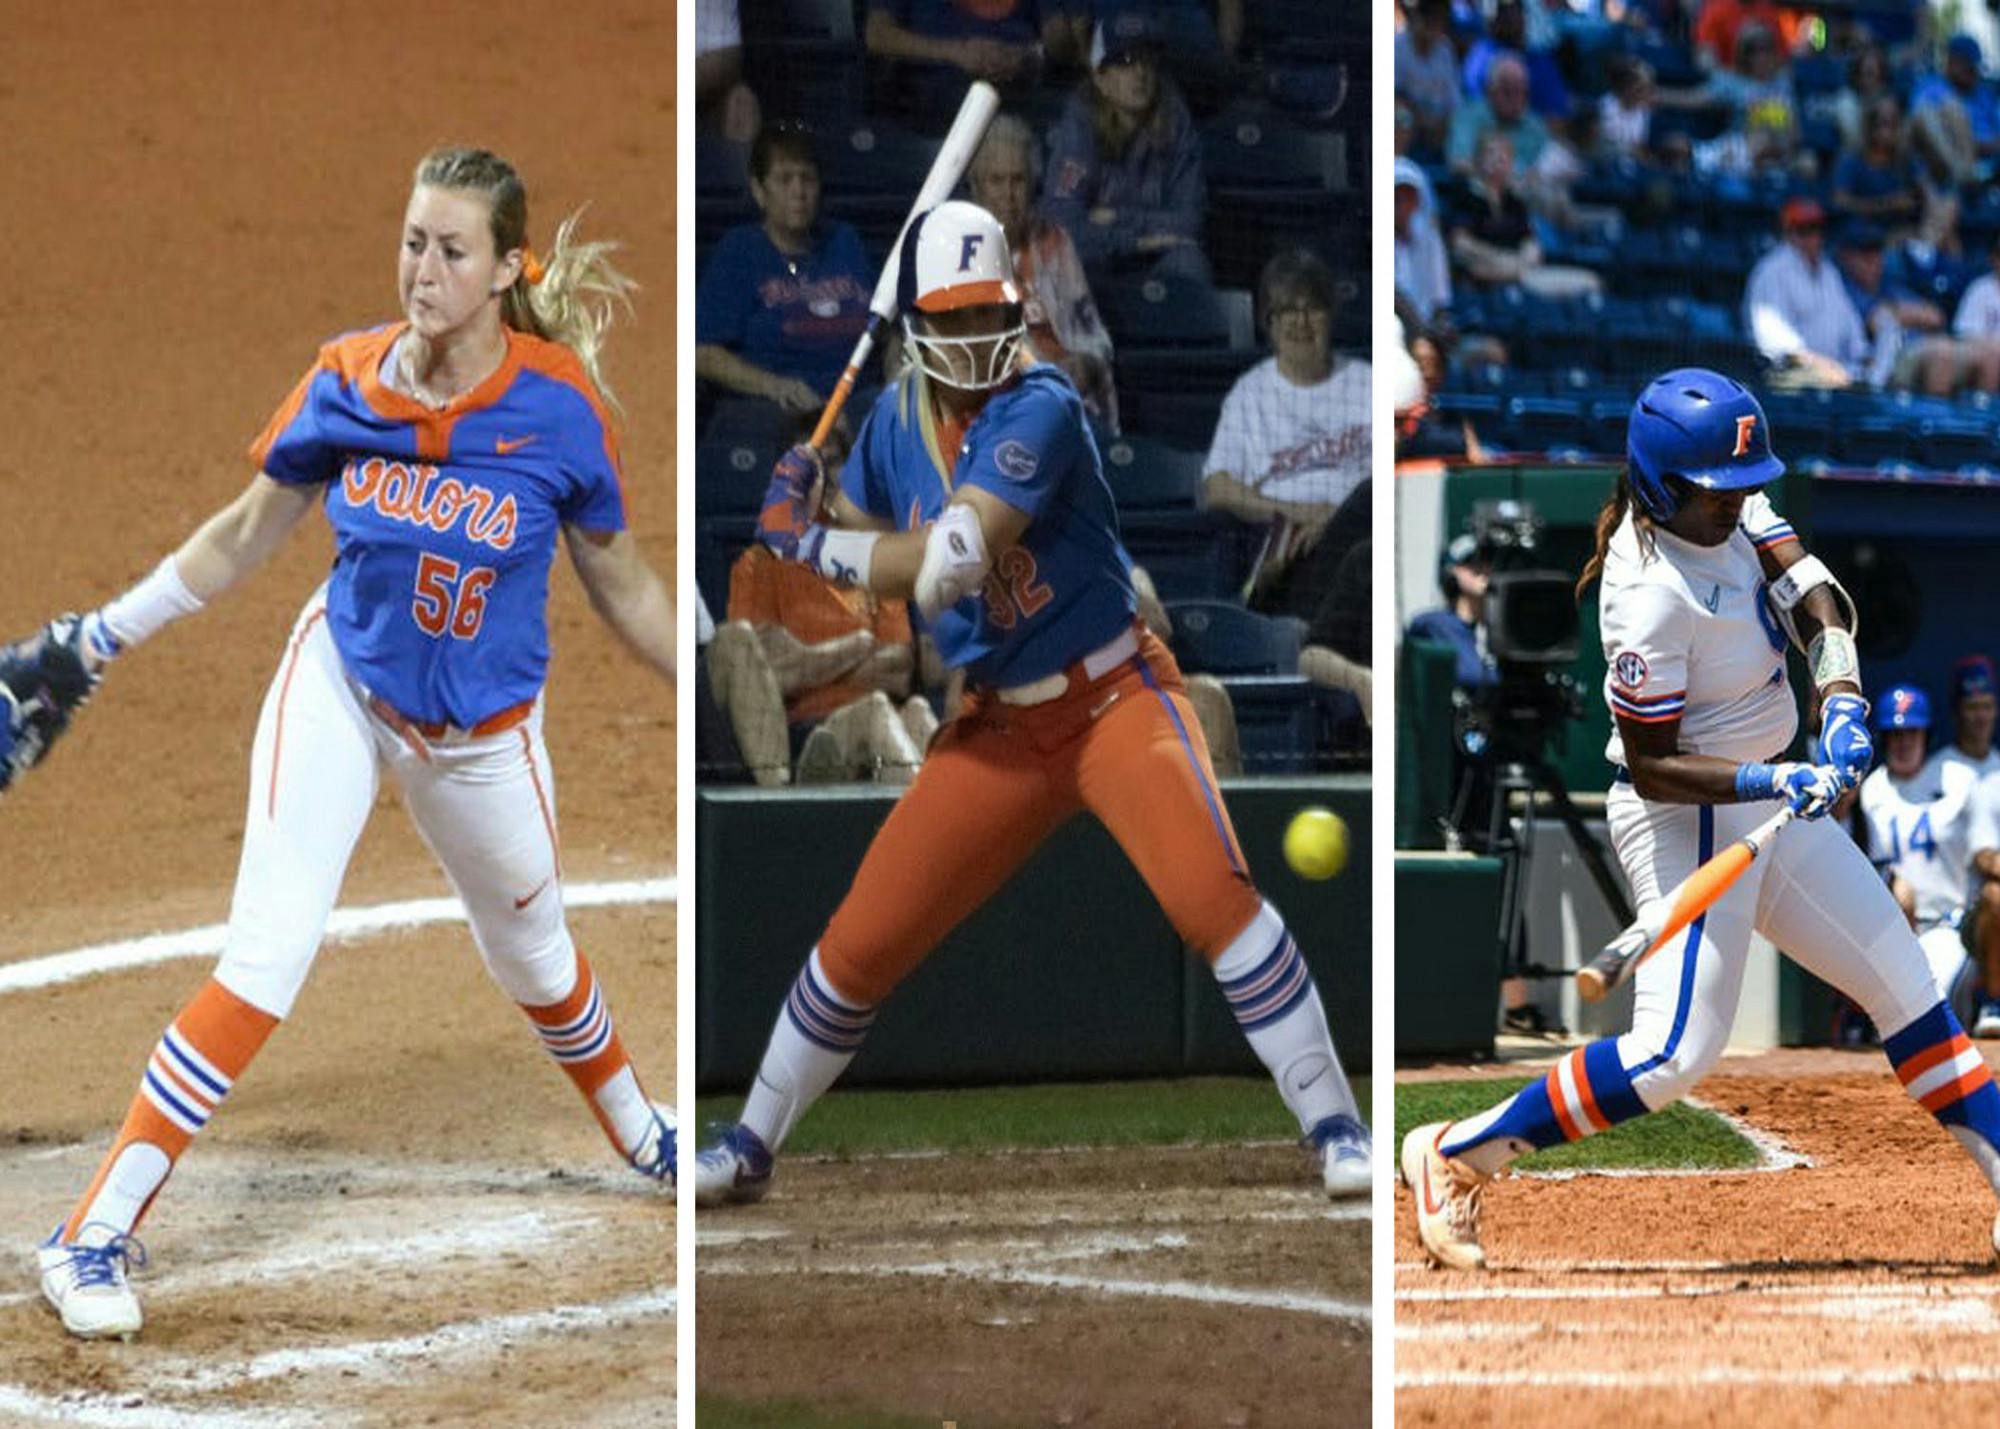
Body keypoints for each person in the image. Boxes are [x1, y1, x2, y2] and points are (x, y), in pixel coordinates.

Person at [30, 147, 678, 1340]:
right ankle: (90, 1234)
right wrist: (98, 636)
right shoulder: (344, 380)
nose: (422, 271)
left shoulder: (558, 409)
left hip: (485, 741)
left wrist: (701, 671)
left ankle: (644, 1132)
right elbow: (240, 537)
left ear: (505, 271)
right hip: (341, 685)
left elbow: (623, 586)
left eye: (450, 251)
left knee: (537, 962)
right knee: (264, 959)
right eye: (412, 242)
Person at [693, 200, 1370, 1205]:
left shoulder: (1040, 402)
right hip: (998, 728)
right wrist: (815, 490)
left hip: (1111, 698)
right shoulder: (892, 419)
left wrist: (809, 539)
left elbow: (944, 567)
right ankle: (748, 1141)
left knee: (1209, 896)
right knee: (860, 938)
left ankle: (1333, 1125)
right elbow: (878, 529)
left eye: (987, 313)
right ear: (919, 326)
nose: (974, 336)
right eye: (954, 318)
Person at [1401, 368, 2000, 1272]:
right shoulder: (1645, 594)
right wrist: (1774, 772)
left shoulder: (1737, 504)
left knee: (1905, 987)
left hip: (1776, 801)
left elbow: (1818, 600)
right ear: (1659, 486)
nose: (1740, 502)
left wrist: (1838, 695)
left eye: (1745, 485)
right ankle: (1453, 1153)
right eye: (1718, 492)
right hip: (1686, 814)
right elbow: (1652, 764)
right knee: (1670, 1055)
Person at [710, 415, 937, 787]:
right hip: (806, 739)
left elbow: (897, 669)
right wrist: (859, 647)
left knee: (918, 711)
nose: (826, 479)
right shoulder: (761, 564)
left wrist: (808, 660)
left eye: (833, 463)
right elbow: (766, 682)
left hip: (882, 732)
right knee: (875, 712)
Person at [1199, 249, 1372, 619]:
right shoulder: (1251, 392)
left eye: (1313, 309)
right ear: (1269, 323)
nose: (1301, 322)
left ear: (1330, 316)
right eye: (1286, 311)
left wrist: (1334, 518)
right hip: (1281, 547)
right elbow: (1217, 488)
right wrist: (1296, 514)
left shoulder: (1366, 383)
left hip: (1354, 538)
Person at [695, 122, 875, 417]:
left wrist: (897, 371)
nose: (798, 192)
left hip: (856, 404)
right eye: (784, 179)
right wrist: (774, 386)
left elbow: (887, 328)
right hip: (775, 409)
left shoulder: (844, 240)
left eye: (808, 179)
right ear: (758, 190)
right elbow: (702, 352)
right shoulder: (741, 249)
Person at [967, 113, 1120, 430]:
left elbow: (1092, 335)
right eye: (996, 181)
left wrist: (1086, 364)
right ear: (977, 187)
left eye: (1018, 180)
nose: (1009, 196)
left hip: (1063, 401)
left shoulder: (1053, 241)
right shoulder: (959, 252)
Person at [1040, 13, 1211, 287]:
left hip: (1157, 259)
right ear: (1100, 77)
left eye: (1146, 60)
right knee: (1069, 260)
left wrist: (1117, 217)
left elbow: (1191, 222)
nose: (1140, 73)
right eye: (1125, 62)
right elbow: (1063, 219)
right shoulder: (1081, 122)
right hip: (1101, 257)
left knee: (1189, 263)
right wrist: (1135, 241)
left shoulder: (1176, 119)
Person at [1855, 685, 1980, 1035]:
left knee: (1936, 1001)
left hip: (1950, 924)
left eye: (1912, 732)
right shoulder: (1873, 789)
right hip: (1894, 927)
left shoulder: (1958, 779)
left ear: (1927, 734)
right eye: (1895, 733)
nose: (1903, 742)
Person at [1930, 656, 2000, 1033]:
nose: (1980, 716)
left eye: (1986, 706)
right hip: (1960, 915)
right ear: (1958, 711)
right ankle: (1993, 1004)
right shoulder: (1937, 770)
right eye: (1972, 707)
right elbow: (1984, 856)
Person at [1743, 197, 1869, 387]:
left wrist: (1864, 357)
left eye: (1817, 229)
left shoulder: (1828, 271)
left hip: (1836, 369)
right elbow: (1776, 343)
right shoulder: (1772, 271)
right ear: (1789, 233)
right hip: (1785, 372)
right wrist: (1822, 365)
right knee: (1844, 384)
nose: (1814, 237)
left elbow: (1850, 326)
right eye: (1805, 230)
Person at [1446, 54, 1551, 175]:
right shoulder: (1469, 116)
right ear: (1490, 91)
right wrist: (1497, 175)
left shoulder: (1535, 125)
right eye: (1507, 91)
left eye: (1520, 91)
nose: (1515, 98)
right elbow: (1458, 162)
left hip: (1525, 191)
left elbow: (1546, 167)